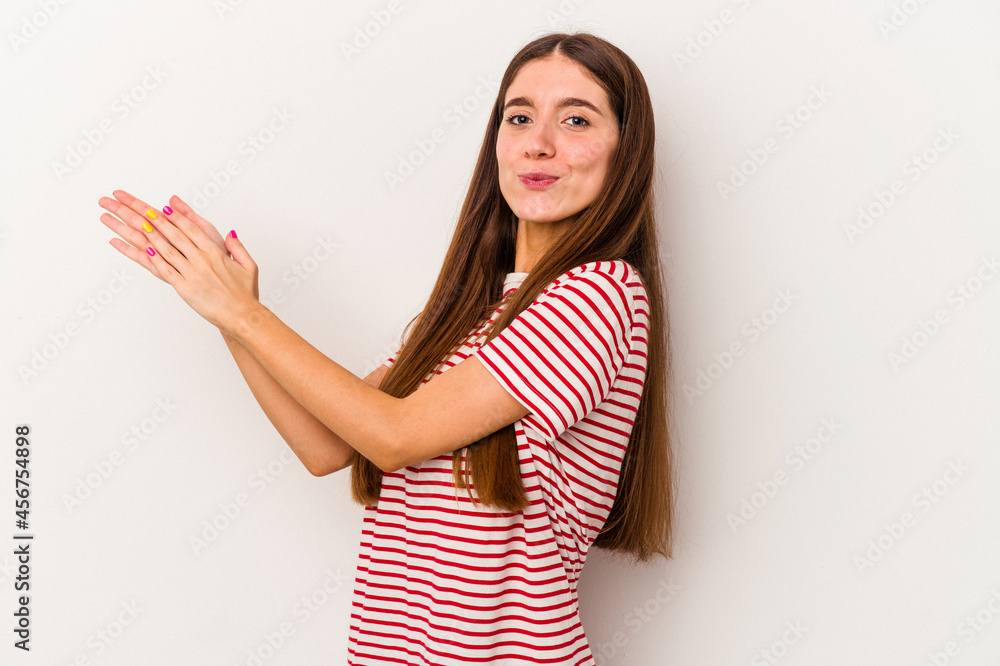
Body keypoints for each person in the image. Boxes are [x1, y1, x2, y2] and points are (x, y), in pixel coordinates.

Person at [98, 30, 675, 666]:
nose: (538, 142)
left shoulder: (600, 293)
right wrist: (227, 313)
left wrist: (245, 314)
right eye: (519, 118)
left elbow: (394, 436)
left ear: (626, 150)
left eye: (576, 119)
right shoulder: (471, 314)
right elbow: (327, 447)